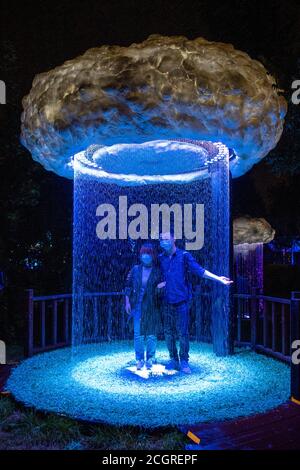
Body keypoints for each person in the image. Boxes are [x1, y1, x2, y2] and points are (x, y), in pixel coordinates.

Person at [159, 231, 233, 374]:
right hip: (166, 301)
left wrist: (219, 279)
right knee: (168, 332)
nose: (163, 241)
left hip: (182, 301)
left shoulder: (184, 256)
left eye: (166, 239)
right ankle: (173, 359)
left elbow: (200, 271)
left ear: (174, 239)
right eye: (161, 239)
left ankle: (184, 360)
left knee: (183, 332)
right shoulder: (161, 258)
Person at [124, 243, 164, 370]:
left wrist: (162, 286)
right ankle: (139, 359)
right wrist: (127, 302)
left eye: (148, 253)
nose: (146, 256)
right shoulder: (135, 269)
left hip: (152, 306)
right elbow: (128, 286)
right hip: (137, 306)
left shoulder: (158, 271)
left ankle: (151, 358)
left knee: (152, 333)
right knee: (138, 334)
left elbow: (161, 289)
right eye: (143, 253)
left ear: (153, 255)